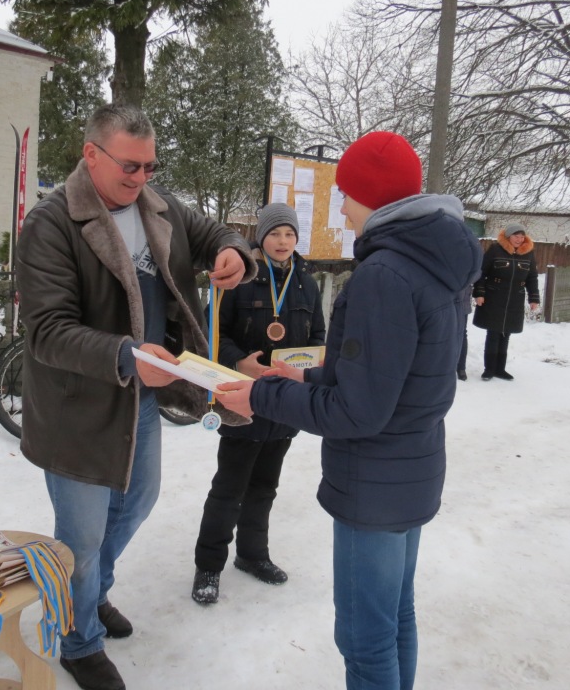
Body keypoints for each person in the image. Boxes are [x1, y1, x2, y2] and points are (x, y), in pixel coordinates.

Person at [215, 131, 482, 690]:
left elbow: (358, 412)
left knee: (364, 639)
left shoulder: (384, 276)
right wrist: (302, 375)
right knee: (394, 618)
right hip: (412, 467)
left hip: (375, 484)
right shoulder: (434, 263)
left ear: (373, 196)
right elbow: (392, 376)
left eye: (347, 193)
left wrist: (260, 394)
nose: (340, 205)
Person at [15, 103, 255, 690]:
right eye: (131, 166)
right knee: (82, 534)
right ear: (91, 154)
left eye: (151, 166)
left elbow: (213, 234)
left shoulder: (158, 205)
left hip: (142, 396)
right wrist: (128, 355)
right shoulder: (51, 224)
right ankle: (77, 640)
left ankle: (89, 594)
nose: (142, 178)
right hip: (80, 405)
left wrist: (233, 252)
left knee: (139, 499)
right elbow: (47, 331)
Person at [191, 203, 326, 605]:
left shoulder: (307, 282)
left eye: (289, 234)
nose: (282, 242)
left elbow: (317, 333)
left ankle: (253, 555)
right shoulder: (240, 277)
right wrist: (238, 361)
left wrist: (306, 366)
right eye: (275, 234)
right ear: (261, 237)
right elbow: (211, 328)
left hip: (284, 402)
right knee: (228, 487)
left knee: (265, 485)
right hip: (243, 399)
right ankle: (209, 566)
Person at [472, 222, 540, 381]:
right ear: (509, 236)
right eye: (516, 236)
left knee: (506, 333)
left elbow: (532, 277)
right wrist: (479, 293)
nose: (520, 239)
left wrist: (534, 298)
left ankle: (500, 369)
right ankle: (489, 369)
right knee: (494, 332)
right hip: (495, 296)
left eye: (522, 236)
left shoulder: (528, 253)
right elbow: (481, 272)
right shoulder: (496, 250)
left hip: (515, 298)